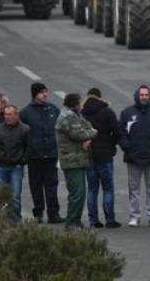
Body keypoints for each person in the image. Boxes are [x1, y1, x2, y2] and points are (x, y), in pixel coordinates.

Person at [118, 85, 150, 228]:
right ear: (137, 96)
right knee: (134, 189)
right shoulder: (127, 113)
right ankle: (134, 216)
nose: (144, 97)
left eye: (146, 94)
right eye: (142, 95)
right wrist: (127, 147)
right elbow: (121, 133)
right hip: (133, 158)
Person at [19, 82, 63, 224]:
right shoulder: (26, 112)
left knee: (52, 185)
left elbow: (62, 126)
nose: (45, 94)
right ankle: (38, 213)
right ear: (34, 94)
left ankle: (54, 214)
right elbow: (21, 134)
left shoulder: (53, 109)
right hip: (34, 156)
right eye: (41, 92)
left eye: (45, 91)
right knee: (36, 186)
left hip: (51, 155)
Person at [81, 88, 121, 229]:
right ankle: (110, 219)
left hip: (89, 156)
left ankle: (93, 220)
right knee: (108, 188)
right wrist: (111, 145)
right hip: (105, 155)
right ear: (100, 97)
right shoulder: (107, 112)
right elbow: (117, 132)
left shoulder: (82, 113)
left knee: (92, 189)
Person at [55, 93, 96, 231]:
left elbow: (87, 125)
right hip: (72, 160)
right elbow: (79, 134)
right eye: (80, 102)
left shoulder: (76, 115)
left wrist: (88, 132)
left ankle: (76, 220)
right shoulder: (67, 117)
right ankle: (71, 222)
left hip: (78, 159)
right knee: (76, 194)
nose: (82, 105)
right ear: (75, 104)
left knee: (81, 193)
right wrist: (91, 134)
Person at [0, 105, 29, 223]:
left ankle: (16, 221)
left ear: (16, 115)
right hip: (0, 167)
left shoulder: (25, 129)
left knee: (15, 196)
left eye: (10, 114)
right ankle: (1, 219)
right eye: (5, 114)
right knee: (0, 194)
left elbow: (29, 148)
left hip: (16, 167)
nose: (7, 117)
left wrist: (22, 162)